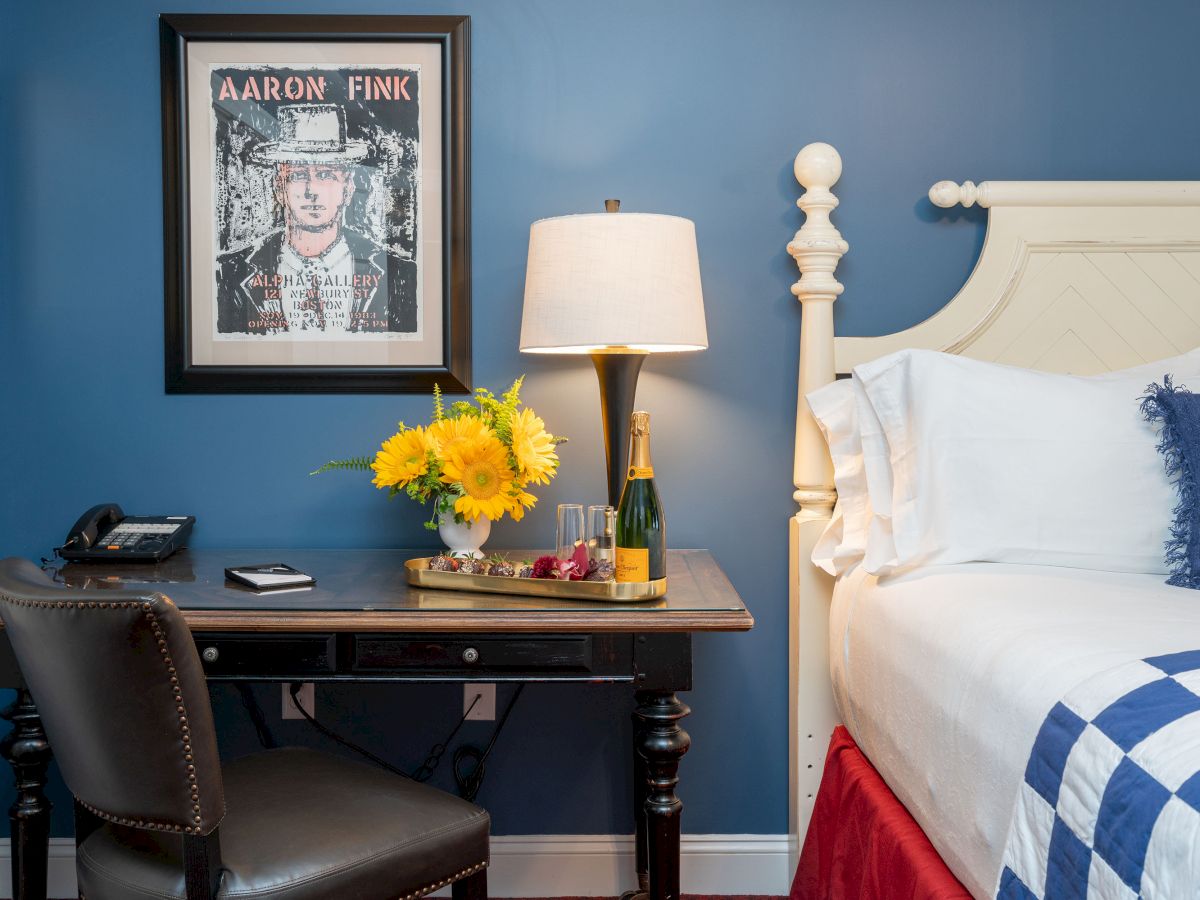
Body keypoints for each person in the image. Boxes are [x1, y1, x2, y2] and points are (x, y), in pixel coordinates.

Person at [215, 104, 417, 335]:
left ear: (348, 188)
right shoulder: (228, 272)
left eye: (326, 174)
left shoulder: (402, 273)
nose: (313, 191)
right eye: (299, 175)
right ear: (279, 188)